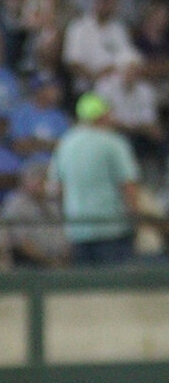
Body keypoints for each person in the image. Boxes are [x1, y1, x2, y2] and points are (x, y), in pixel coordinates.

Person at [49, 91, 141, 265]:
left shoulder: (65, 144)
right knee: (116, 288)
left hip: (78, 229)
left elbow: (56, 188)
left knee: (86, 288)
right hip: (112, 229)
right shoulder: (114, 143)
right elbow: (128, 185)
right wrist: (135, 221)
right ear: (102, 115)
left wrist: (66, 223)